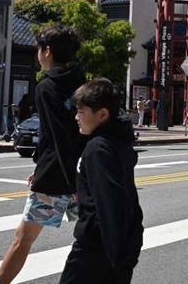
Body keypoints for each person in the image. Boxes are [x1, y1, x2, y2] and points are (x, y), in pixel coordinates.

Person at [0, 25, 87, 284]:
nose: (38, 54)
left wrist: (65, 179)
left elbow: (59, 136)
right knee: (94, 239)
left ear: (46, 51)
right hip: (83, 174)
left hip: (59, 178)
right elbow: (71, 132)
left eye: (38, 49)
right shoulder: (80, 80)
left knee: (22, 240)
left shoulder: (47, 87)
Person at [59, 78, 144, 284]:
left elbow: (110, 203)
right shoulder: (117, 141)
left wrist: (119, 259)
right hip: (111, 246)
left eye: (81, 112)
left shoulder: (99, 148)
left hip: (96, 249)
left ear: (102, 114)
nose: (76, 117)